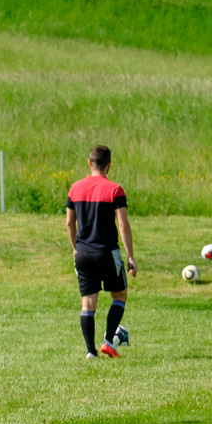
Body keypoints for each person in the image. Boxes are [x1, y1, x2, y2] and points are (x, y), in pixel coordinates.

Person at [65, 145, 137, 359]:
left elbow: (70, 223)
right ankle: (107, 342)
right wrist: (130, 256)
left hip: (83, 253)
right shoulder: (115, 190)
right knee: (120, 295)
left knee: (88, 303)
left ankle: (90, 351)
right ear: (109, 165)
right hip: (107, 253)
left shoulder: (74, 188)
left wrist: (75, 248)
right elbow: (123, 225)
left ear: (89, 164)